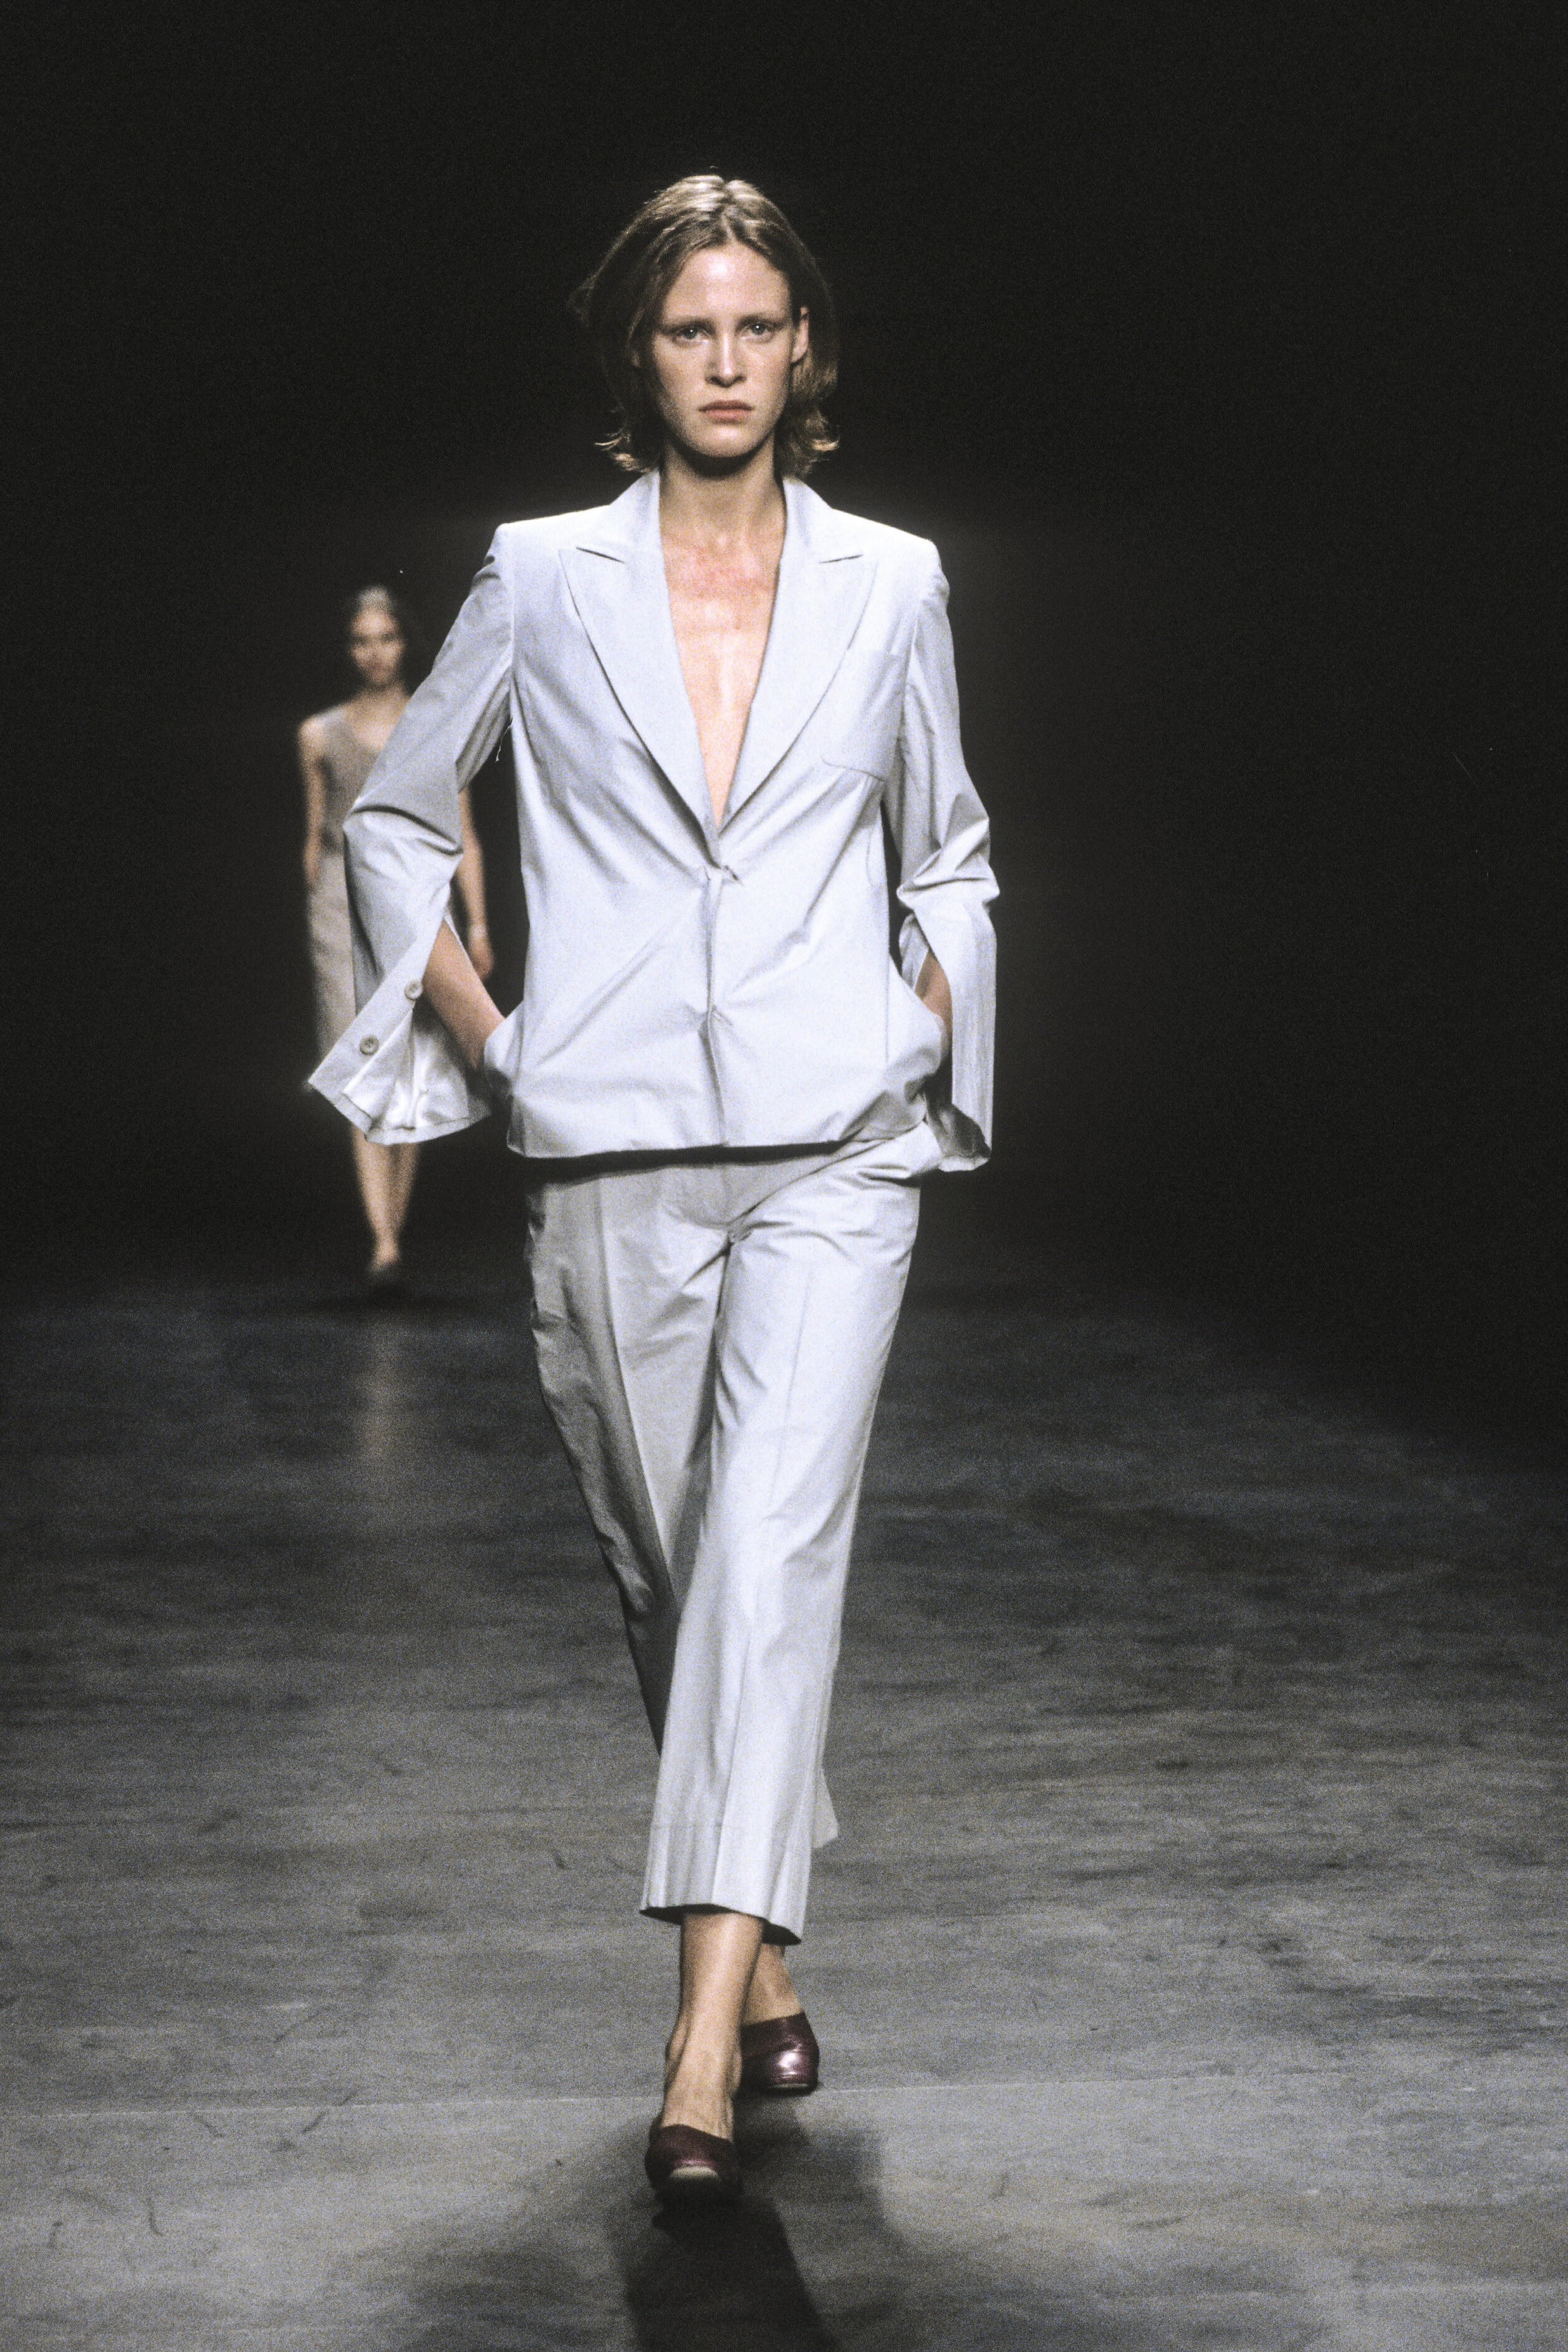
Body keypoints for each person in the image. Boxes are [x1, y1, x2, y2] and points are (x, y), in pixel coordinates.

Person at [311, 175, 996, 2197]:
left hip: (831, 1146)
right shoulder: (540, 576)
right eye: (691, 328)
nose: (725, 361)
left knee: (768, 1554)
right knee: (675, 1573)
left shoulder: (891, 580)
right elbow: (395, 818)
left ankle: (694, 2056)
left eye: (757, 326)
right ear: (642, 351)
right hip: (603, 1134)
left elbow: (948, 848)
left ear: (804, 349)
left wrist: (913, 1032)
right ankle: (763, 1954)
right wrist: (493, 1037)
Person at [299, 587, 492, 1291]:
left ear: (405, 642)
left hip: (415, 903)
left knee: (410, 1062)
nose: (375, 652)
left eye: (386, 637)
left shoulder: (433, 726)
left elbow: (463, 834)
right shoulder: (319, 733)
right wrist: (318, 915)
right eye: (361, 640)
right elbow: (315, 838)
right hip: (340, 905)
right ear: (347, 649)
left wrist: (478, 926)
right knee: (359, 1061)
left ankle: (391, 1235)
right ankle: (383, 1243)